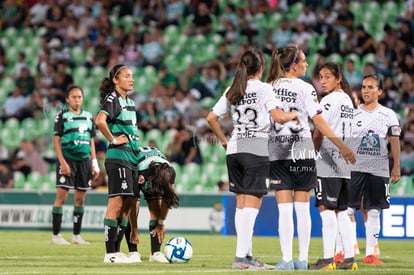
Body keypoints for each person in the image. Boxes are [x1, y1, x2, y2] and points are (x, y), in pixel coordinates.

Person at [207, 47, 300, 270]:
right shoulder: (264, 89)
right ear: (261, 68)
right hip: (256, 150)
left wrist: (223, 141)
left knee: (241, 205)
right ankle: (240, 257)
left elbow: (211, 118)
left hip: (235, 150)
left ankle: (247, 256)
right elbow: (278, 116)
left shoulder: (234, 88)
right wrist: (293, 114)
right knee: (252, 205)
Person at [265, 46, 356, 270]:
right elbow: (319, 121)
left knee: (284, 209)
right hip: (303, 149)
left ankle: (287, 259)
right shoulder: (306, 88)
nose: (307, 65)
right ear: (294, 66)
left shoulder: (270, 87)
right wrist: (341, 145)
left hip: (278, 149)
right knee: (302, 208)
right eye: (304, 61)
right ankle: (303, 259)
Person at [348, 75, 401, 265]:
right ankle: (345, 250)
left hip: (378, 168)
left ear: (380, 91)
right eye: (363, 87)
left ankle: (370, 253)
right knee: (347, 210)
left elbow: (394, 141)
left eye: (371, 87)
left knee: (374, 211)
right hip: (355, 167)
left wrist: (396, 166)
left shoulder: (388, 114)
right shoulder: (353, 113)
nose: (366, 90)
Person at [310, 62, 358, 270]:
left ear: (338, 78)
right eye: (320, 77)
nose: (322, 81)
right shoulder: (348, 100)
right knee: (341, 211)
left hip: (329, 159)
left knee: (326, 208)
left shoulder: (329, 100)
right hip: (345, 163)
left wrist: (312, 152)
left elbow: (320, 128)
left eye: (328, 76)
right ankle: (348, 258)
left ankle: (328, 258)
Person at [95, 64, 141, 263]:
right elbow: (99, 120)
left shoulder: (129, 101)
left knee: (125, 206)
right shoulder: (113, 98)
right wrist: (113, 139)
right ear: (115, 79)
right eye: (127, 76)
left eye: (132, 76)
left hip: (130, 158)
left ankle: (116, 250)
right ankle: (109, 254)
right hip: (118, 157)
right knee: (115, 203)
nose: (131, 79)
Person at [51, 86, 100, 245]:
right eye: (74, 97)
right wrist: (62, 162)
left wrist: (94, 162)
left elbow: (91, 140)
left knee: (80, 199)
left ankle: (76, 236)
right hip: (67, 159)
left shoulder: (88, 116)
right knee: (62, 197)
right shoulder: (62, 116)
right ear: (67, 99)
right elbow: (56, 141)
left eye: (79, 97)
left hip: (84, 161)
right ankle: (56, 236)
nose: (77, 100)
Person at [125, 146, 180, 263]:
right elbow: (132, 205)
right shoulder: (140, 173)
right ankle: (133, 251)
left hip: (153, 173)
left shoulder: (169, 172)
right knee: (134, 208)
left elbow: (167, 198)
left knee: (156, 209)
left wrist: (161, 223)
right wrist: (134, 229)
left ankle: (155, 253)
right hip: (134, 167)